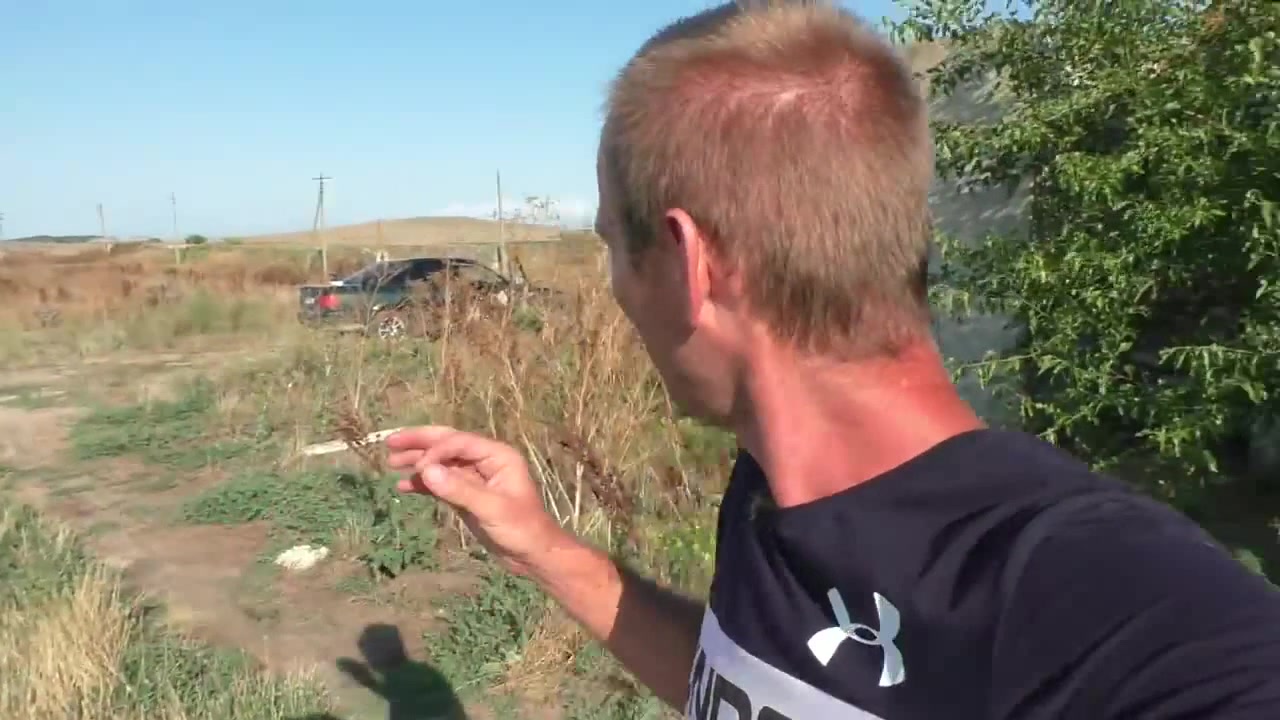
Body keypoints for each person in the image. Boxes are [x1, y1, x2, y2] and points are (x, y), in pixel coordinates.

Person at [386, 2, 1280, 718]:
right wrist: (546, 549)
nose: (615, 286)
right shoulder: (771, 485)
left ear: (693, 264)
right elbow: (743, 686)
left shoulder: (1097, 589)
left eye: (612, 247)